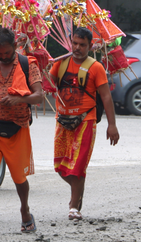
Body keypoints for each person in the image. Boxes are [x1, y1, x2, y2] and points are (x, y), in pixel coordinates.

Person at [49, 27, 119, 220]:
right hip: (62, 121)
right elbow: (47, 84)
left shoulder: (95, 67)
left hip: (85, 121)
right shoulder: (60, 63)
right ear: (70, 42)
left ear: (90, 46)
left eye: (82, 45)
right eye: (75, 44)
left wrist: (112, 125)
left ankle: (74, 207)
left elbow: (106, 97)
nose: (77, 48)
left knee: (78, 165)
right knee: (60, 167)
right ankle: (78, 191)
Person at [0, 27, 43, 234]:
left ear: (15, 46)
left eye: (7, 52)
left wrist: (19, 99)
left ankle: (25, 210)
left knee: (19, 178)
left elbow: (39, 96)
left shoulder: (27, 64)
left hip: (18, 127)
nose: (3, 57)